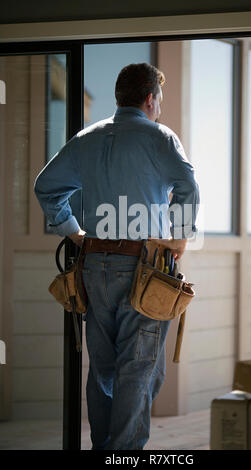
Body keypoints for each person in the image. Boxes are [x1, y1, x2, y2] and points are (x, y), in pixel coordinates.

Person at [34, 62, 200, 450]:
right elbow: (188, 187)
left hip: (94, 267)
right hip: (144, 270)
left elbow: (46, 187)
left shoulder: (86, 138)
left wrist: (72, 231)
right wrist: (178, 240)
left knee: (105, 371)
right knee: (139, 371)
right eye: (158, 99)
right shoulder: (161, 138)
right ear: (149, 99)